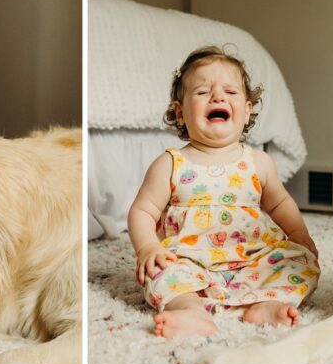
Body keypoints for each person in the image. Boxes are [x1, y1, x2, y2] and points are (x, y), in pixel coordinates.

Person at [128, 46, 320, 338]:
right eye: (203, 92)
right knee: (161, 271)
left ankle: (266, 303)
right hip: (190, 260)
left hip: (254, 256)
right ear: (180, 113)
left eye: (230, 92)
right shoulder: (170, 163)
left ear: (246, 112)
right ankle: (188, 309)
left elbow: (281, 203)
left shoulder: (258, 162)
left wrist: (299, 236)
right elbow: (142, 211)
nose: (218, 97)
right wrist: (148, 248)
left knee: (299, 261)